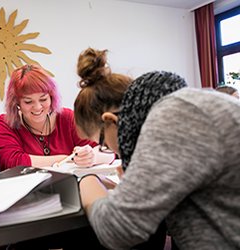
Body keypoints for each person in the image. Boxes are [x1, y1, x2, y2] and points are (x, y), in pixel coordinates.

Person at [74, 48, 240, 249]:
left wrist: (87, 178)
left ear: (111, 121)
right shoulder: (184, 105)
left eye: (104, 144)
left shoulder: (171, 118)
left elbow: (117, 229)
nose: (114, 152)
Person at [0, 64, 115, 171]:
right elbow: (12, 162)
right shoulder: (4, 124)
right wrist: (65, 159)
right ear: (16, 102)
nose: (37, 107)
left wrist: (92, 157)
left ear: (52, 97)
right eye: (28, 102)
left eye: (43, 99)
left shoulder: (68, 118)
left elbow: (109, 153)